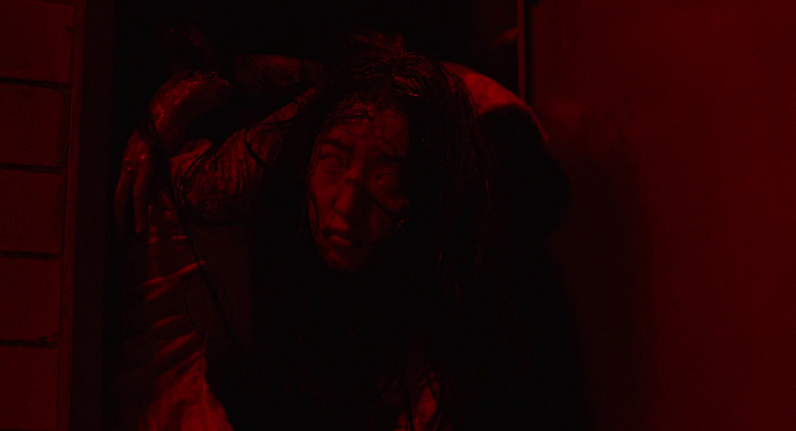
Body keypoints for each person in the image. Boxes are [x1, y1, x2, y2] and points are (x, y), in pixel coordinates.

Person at [111, 37, 574, 430]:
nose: (348, 209)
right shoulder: (220, 183)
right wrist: (178, 100)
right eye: (333, 161)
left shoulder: (456, 263)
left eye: (385, 180)